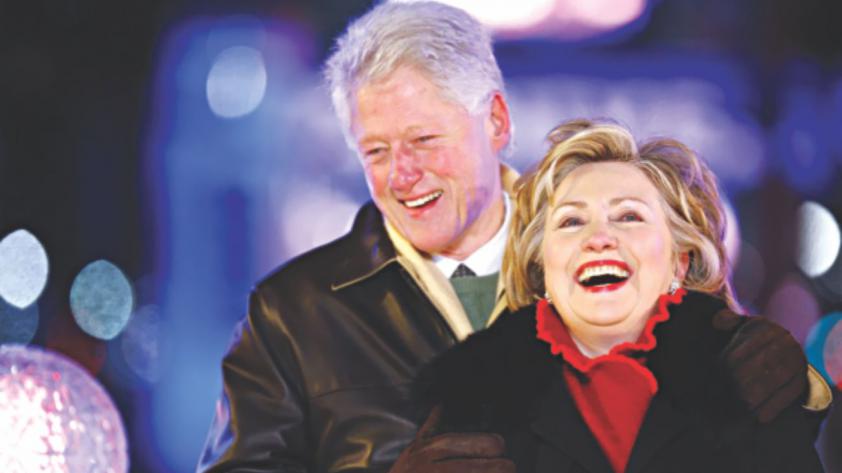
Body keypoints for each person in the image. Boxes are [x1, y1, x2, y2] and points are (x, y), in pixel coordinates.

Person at [197, 2, 829, 472]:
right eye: (376, 151)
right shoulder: (290, 313)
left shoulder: (608, 266)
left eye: (423, 141)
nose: (402, 175)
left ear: (495, 119)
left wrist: (789, 379)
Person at [412, 119, 825, 472]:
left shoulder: (748, 374)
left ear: (678, 263)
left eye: (628, 216)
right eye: (572, 221)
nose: (599, 239)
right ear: (543, 269)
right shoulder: (472, 396)